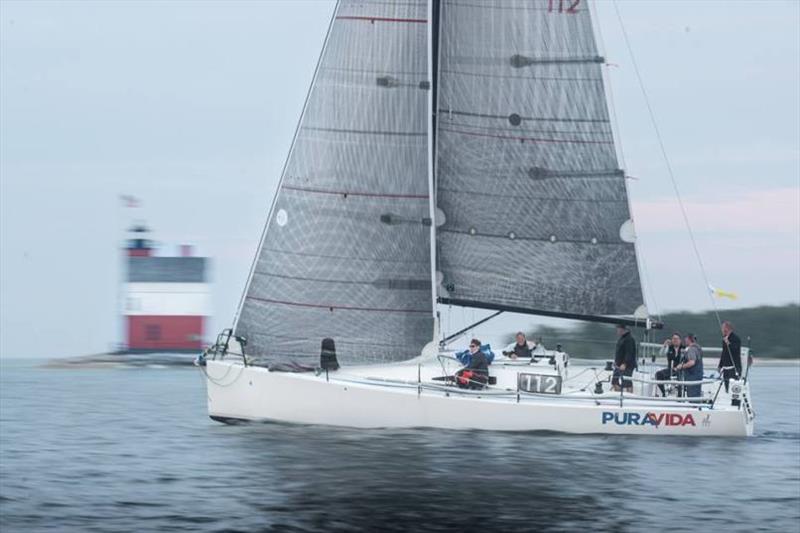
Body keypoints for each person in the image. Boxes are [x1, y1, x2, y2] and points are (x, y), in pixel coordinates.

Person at [612, 324, 637, 393]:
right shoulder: (621, 338)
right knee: (614, 382)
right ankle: (620, 395)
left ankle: (629, 397)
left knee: (627, 382)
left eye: (618, 328)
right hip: (618, 365)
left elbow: (629, 353)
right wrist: (616, 362)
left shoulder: (629, 339)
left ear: (623, 329)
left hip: (627, 365)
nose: (617, 330)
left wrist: (625, 364)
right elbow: (619, 351)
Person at [718, 320, 742, 392]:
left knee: (733, 386)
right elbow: (724, 353)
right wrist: (720, 365)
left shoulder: (736, 338)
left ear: (727, 328)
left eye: (722, 328)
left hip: (733, 367)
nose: (721, 330)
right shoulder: (724, 339)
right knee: (726, 386)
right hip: (726, 367)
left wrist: (728, 343)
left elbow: (735, 350)